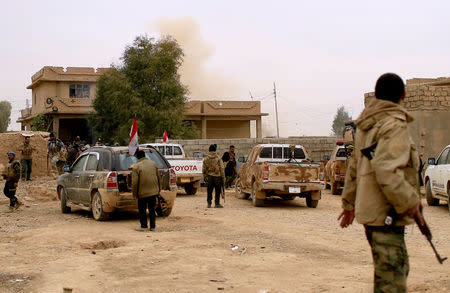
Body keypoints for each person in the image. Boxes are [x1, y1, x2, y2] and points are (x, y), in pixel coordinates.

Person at [338, 73, 422, 292]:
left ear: (376, 95)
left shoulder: (367, 126)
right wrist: (411, 202)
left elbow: (354, 168)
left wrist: (349, 204)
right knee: (392, 280)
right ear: (403, 95)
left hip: (373, 215)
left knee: (386, 276)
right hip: (388, 213)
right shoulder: (393, 125)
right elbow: (387, 169)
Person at [132, 149, 161, 231]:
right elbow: (159, 178)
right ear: (144, 155)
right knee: (152, 210)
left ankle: (144, 226)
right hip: (153, 192)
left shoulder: (136, 167)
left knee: (142, 210)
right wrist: (159, 190)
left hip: (142, 193)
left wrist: (134, 194)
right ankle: (153, 227)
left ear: (137, 157)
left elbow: (135, 183)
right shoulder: (153, 164)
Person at [203, 144, 225, 208]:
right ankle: (217, 203)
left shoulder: (206, 158)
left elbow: (204, 168)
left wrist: (204, 175)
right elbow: (222, 168)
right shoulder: (218, 158)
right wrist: (223, 177)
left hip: (209, 176)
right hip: (217, 176)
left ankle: (209, 203)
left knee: (209, 190)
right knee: (217, 190)